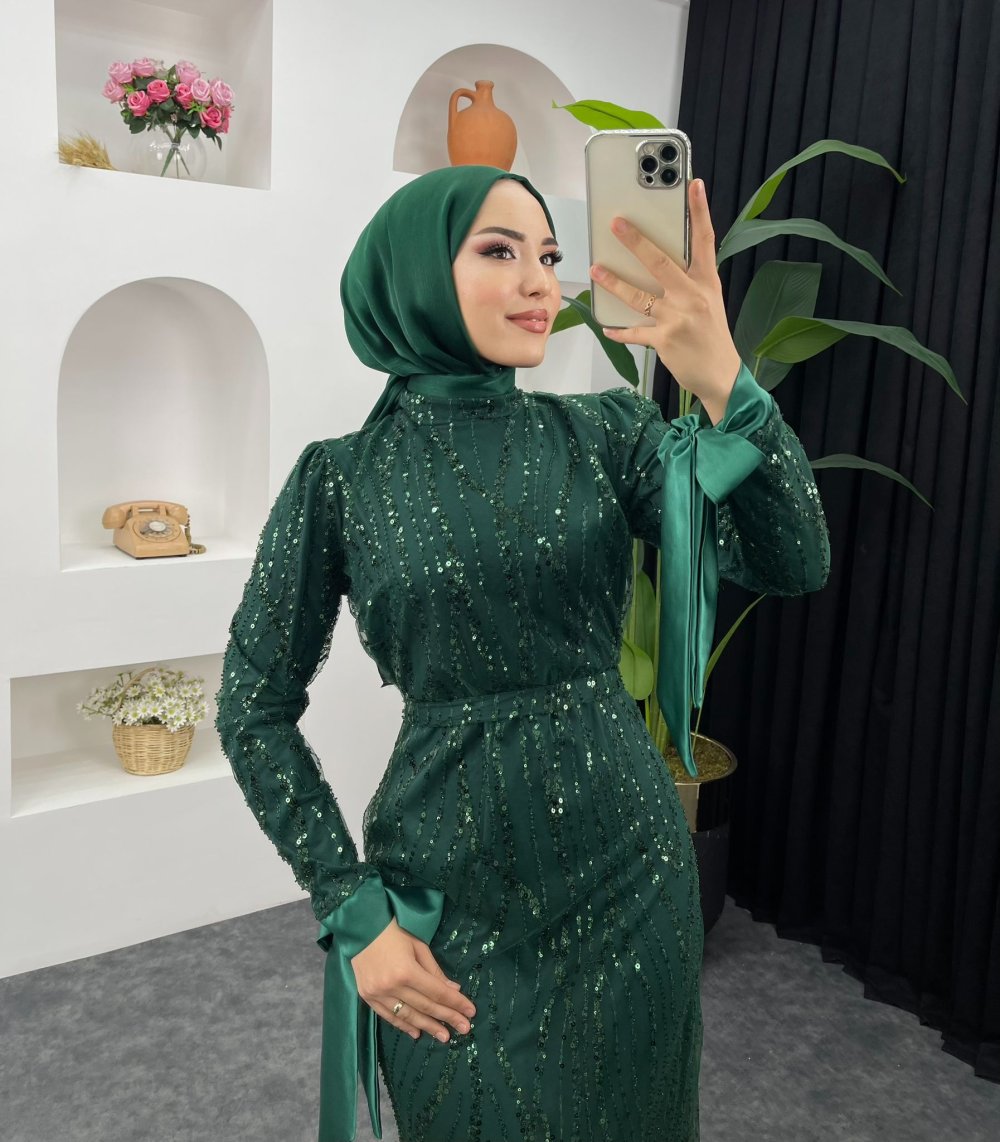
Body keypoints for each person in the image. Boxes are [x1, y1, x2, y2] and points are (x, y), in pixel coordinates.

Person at [214, 164, 830, 1142]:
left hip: (628, 874)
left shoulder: (608, 434)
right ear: (416, 271)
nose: (541, 280)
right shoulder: (339, 479)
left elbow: (792, 559)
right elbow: (251, 710)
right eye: (500, 250)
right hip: (450, 891)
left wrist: (723, 374)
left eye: (548, 254)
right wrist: (351, 906)